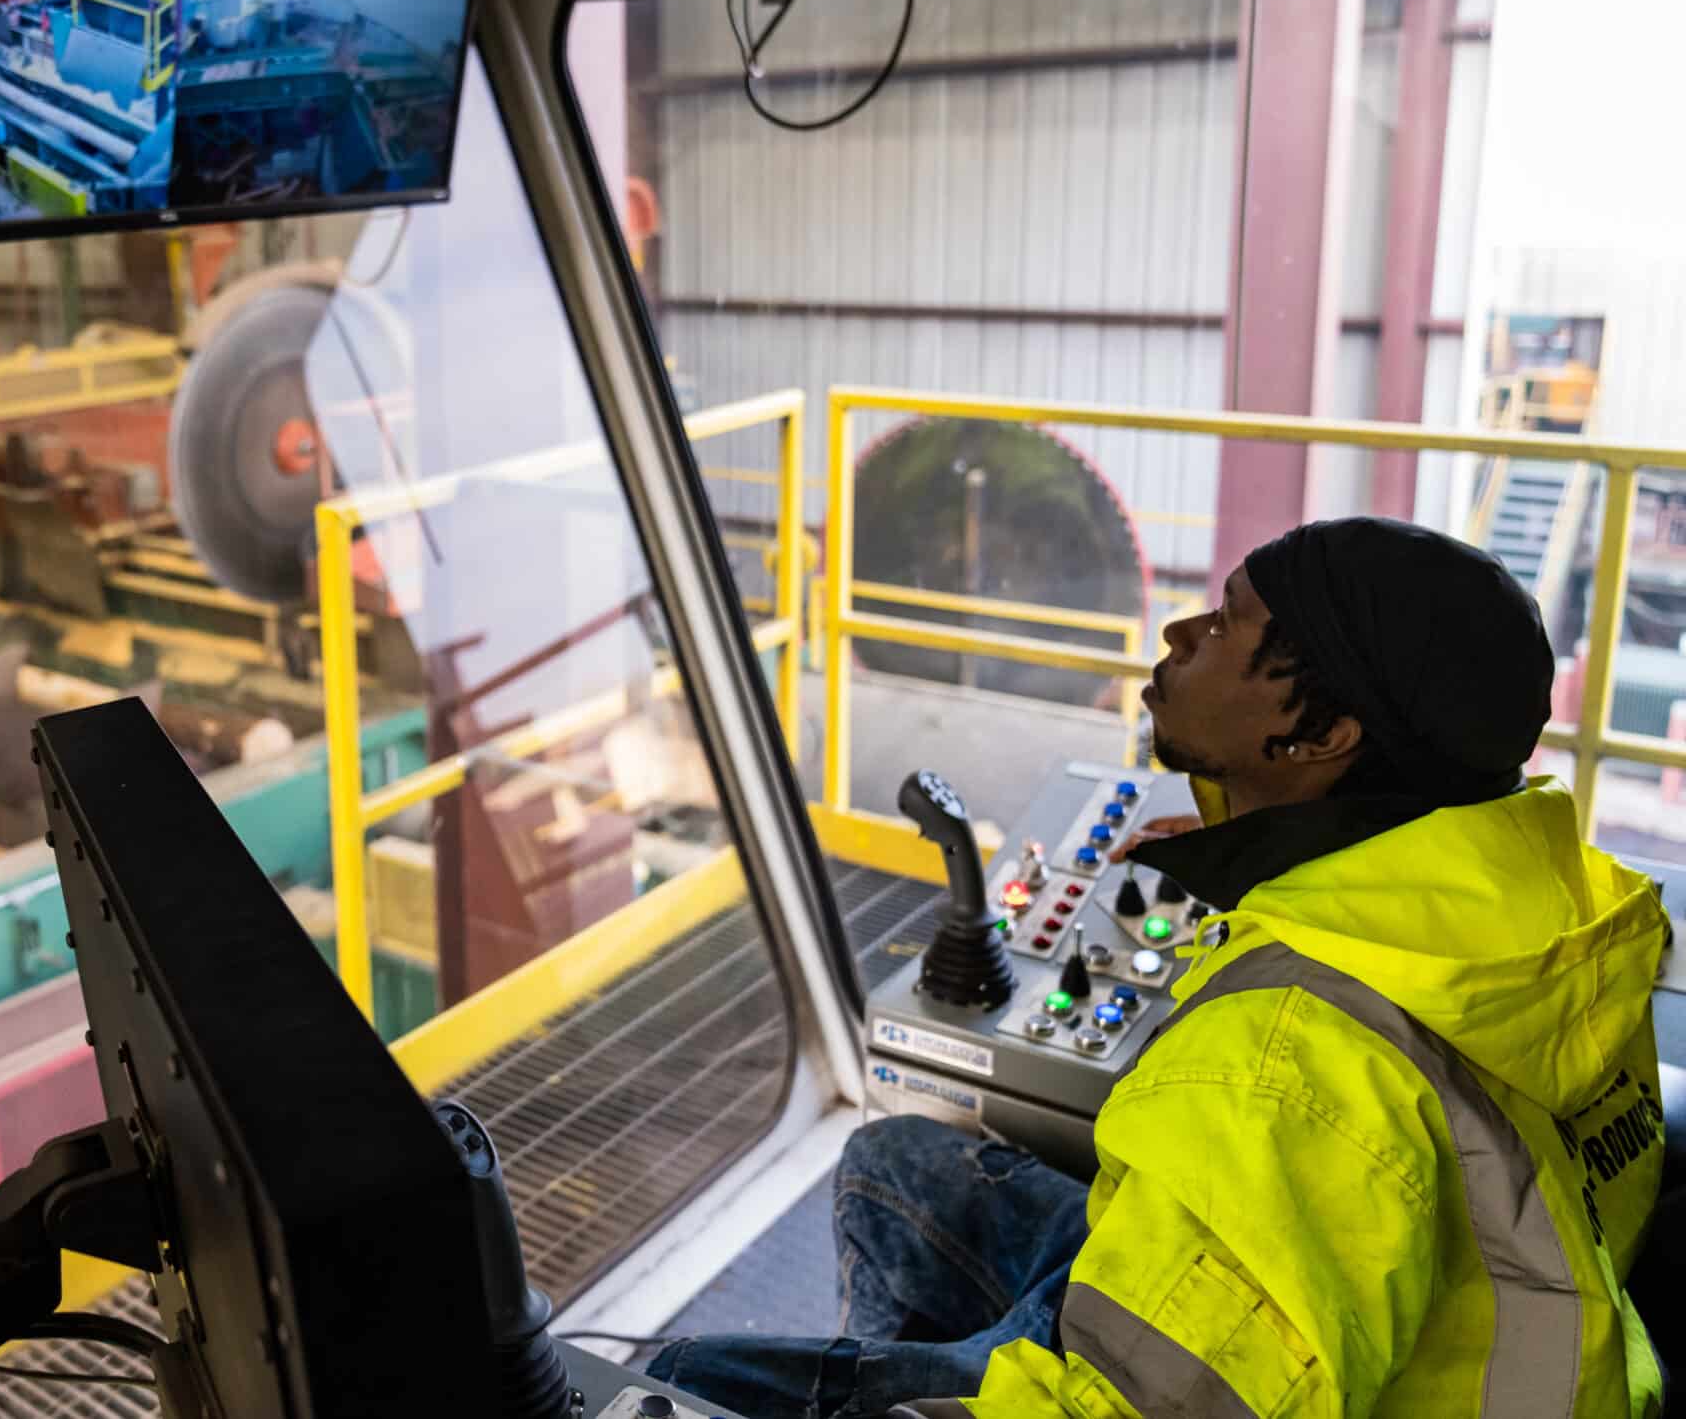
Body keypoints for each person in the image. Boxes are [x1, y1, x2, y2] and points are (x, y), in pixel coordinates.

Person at [651, 516, 1669, 1418]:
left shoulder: (1279, 1064)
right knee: (897, 1166)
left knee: (685, 1378)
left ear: (1322, 735)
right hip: (1446, 1328)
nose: (1182, 635)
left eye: (1228, 627)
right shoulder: (1558, 913)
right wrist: (1245, 847)